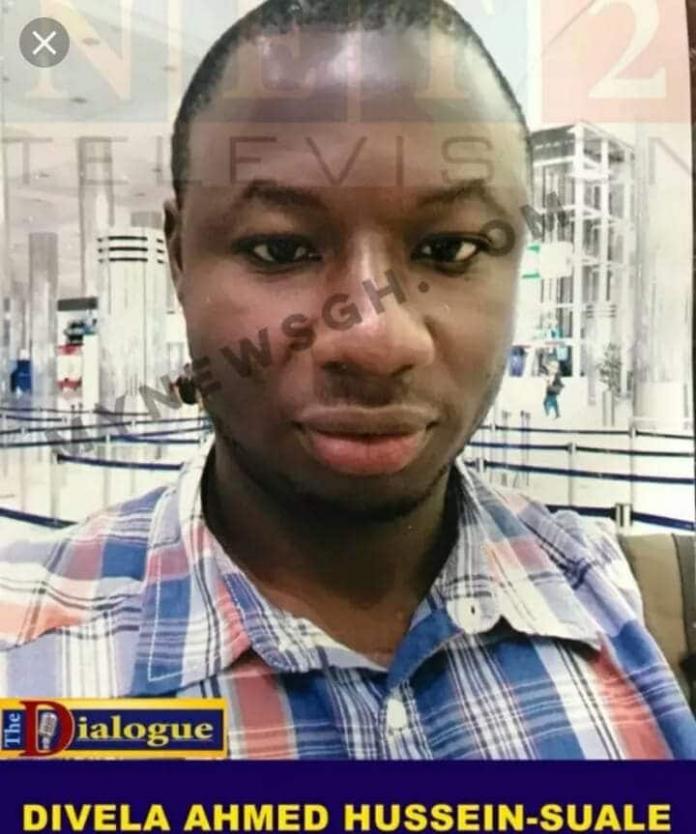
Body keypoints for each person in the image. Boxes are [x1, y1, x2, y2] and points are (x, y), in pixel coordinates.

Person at [1, 0, 694, 759]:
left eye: (450, 249)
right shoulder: (27, 655)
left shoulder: (633, 609)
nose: (376, 340)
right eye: (279, 250)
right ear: (178, 260)